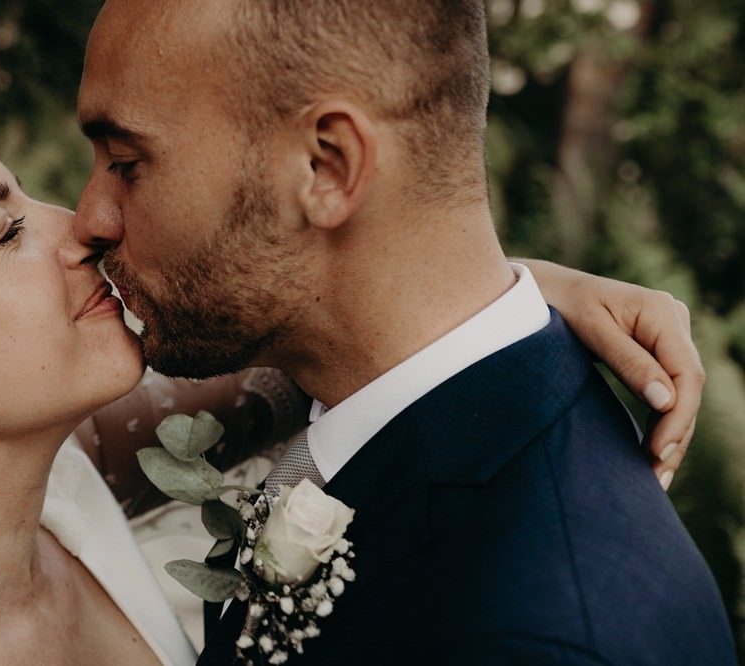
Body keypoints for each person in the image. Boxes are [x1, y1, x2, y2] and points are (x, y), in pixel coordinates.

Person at [0, 84, 708, 663]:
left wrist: (529, 289)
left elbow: (318, 343)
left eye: (30, 200)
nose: (81, 227)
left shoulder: (69, 482)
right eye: (4, 232)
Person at [74, 1, 734, 664]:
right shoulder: (376, 411)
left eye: (127, 162)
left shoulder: (538, 637)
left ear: (327, 166)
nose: (88, 219)